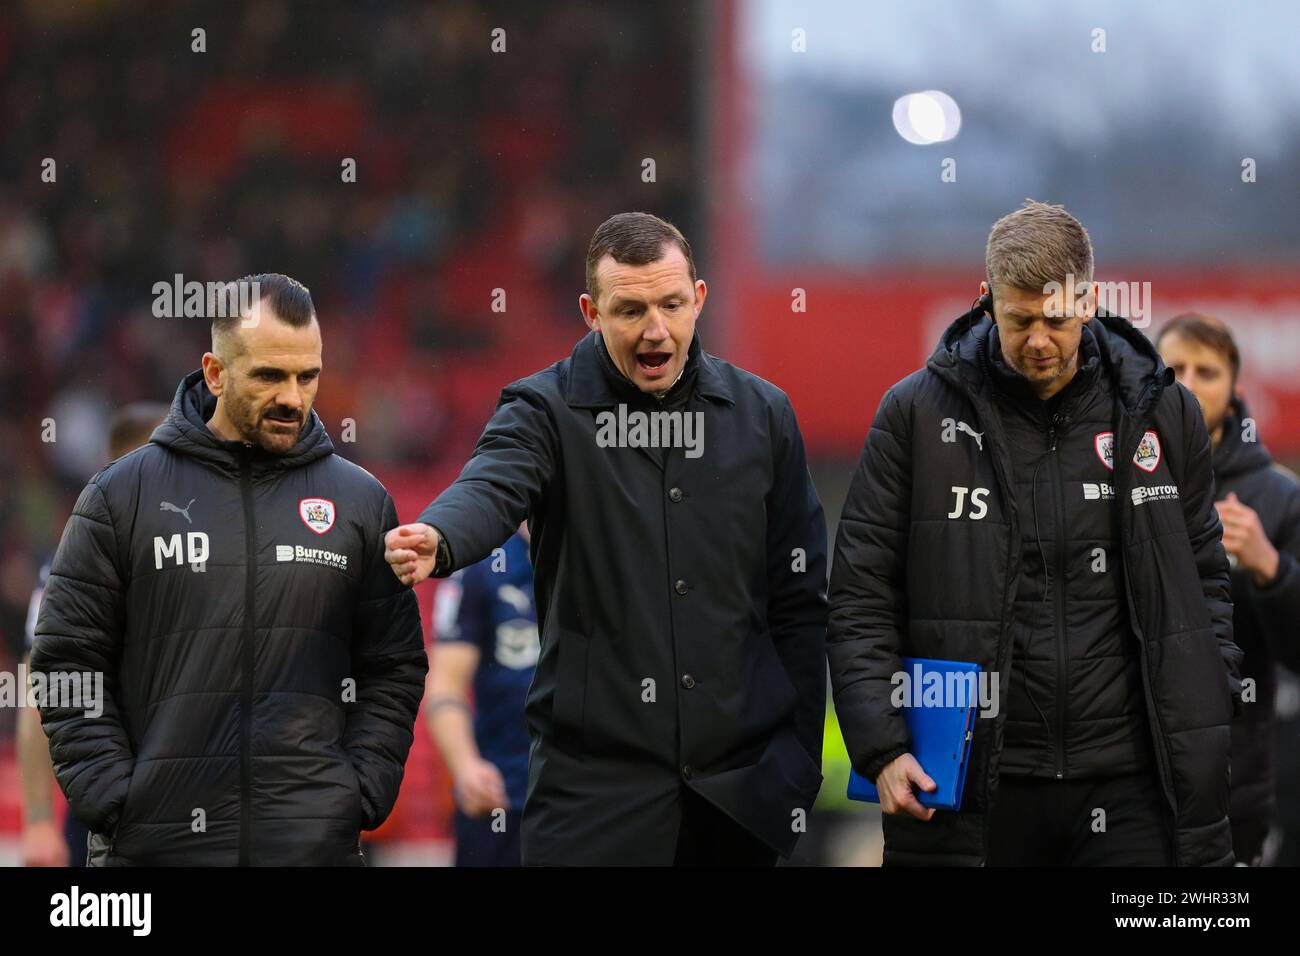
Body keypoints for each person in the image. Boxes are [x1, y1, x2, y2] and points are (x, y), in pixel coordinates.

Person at [386, 212, 828, 866]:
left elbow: (801, 601)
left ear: (698, 299)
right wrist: (443, 536)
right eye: (630, 311)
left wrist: (795, 763)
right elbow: (493, 483)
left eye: (672, 305)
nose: (656, 330)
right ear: (591, 312)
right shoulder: (543, 411)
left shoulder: (764, 416)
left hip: (740, 799)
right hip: (593, 807)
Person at [827, 200, 1241, 866]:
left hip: (1134, 783)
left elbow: (1205, 572)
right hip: (974, 787)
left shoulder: (1164, 410)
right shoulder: (912, 415)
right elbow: (860, 595)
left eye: (1055, 318)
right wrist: (882, 747)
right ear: (985, 301)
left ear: (1091, 301)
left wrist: (1211, 690)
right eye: (1020, 320)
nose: (1039, 340)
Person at [31, 273, 428, 866]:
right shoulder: (120, 497)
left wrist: (355, 794)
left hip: (310, 851)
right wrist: (118, 799)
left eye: (307, 375)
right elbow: (66, 659)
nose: (293, 397)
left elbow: (392, 667)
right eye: (270, 375)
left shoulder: (361, 503)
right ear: (215, 373)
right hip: (152, 854)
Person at [1156, 313, 1300, 865]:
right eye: (1176, 368)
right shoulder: (1108, 477)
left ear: (1235, 391)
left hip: (1234, 785)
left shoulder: (1278, 499)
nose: (1189, 381)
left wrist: (1271, 567)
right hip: (1119, 781)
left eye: (1207, 370)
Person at [19, 403, 168, 866]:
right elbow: (39, 692)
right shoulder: (71, 572)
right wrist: (40, 820)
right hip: (105, 808)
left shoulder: (207, 558)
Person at [427, 525, 538, 866]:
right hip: (504, 794)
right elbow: (445, 684)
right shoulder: (483, 568)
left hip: (598, 794)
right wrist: (466, 766)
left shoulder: (611, 559)